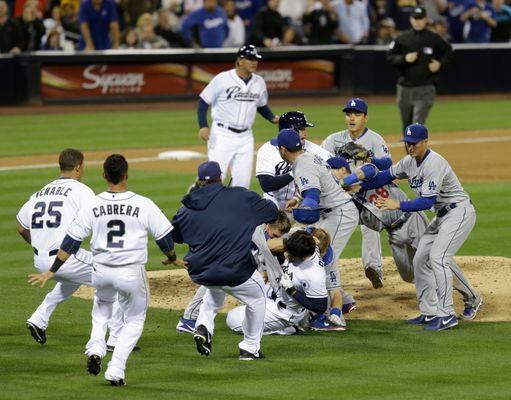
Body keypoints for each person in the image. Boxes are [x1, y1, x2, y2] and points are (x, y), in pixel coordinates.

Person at [29, 154, 179, 385]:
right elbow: (164, 239)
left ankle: (96, 348)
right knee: (135, 319)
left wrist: (53, 269)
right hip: (130, 272)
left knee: (101, 310)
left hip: (101, 271)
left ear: (104, 176)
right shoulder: (143, 203)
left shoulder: (93, 203)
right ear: (126, 175)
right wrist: (172, 258)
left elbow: (71, 241)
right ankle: (116, 369)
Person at [358, 124, 483, 331]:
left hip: (459, 213)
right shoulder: (409, 161)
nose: (410, 147)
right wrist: (358, 186)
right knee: (420, 259)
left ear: (426, 141)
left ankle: (448, 313)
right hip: (442, 215)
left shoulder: (434, 163)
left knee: (438, 258)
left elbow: (426, 202)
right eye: (407, 143)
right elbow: (385, 176)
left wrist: (397, 204)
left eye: (414, 143)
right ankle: (430, 311)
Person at [171, 161, 279, 360]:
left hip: (201, 271)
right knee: (258, 297)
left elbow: (175, 236)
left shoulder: (187, 207)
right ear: (220, 177)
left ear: (199, 181)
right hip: (235, 270)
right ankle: (250, 347)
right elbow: (272, 212)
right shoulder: (241, 196)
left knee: (214, 290)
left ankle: (203, 327)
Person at [17, 149, 116, 346]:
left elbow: (21, 227)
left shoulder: (39, 193)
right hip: (66, 259)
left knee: (70, 281)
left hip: (40, 261)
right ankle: (115, 338)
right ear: (78, 167)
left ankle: (38, 319)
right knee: (114, 278)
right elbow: (98, 221)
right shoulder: (81, 190)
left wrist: (39, 244)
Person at [275, 128, 359, 330]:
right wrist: (298, 200)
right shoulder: (306, 158)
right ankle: (343, 301)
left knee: (321, 258)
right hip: (330, 212)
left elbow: (312, 193)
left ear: (283, 149)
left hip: (339, 214)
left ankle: (326, 315)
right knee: (316, 253)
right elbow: (313, 188)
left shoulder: (302, 166)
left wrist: (307, 206)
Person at [176, 210, 291, 334]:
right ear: (267, 225)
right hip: (217, 253)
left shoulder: (262, 230)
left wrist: (265, 272)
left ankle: (263, 318)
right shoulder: (253, 228)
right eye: (274, 235)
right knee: (214, 283)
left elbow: (261, 255)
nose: (276, 239)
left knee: (239, 285)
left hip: (231, 258)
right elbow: (267, 249)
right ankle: (188, 320)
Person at [321, 98, 392, 289]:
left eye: (357, 114)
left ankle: (373, 268)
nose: (352, 118)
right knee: (328, 229)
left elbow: (387, 164)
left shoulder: (375, 139)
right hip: (339, 195)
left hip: (365, 191)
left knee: (370, 226)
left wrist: (370, 157)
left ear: (365, 118)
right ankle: (321, 267)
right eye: (349, 114)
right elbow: (320, 163)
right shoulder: (333, 139)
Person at [197, 44, 279, 189]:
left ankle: (236, 211)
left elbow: (261, 105)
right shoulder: (222, 79)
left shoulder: (259, 82)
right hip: (222, 134)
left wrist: (272, 118)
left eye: (256, 59)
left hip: (246, 137)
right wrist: (203, 125)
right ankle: (198, 200)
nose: (254, 62)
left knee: (243, 183)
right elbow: (204, 101)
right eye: (250, 58)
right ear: (239, 60)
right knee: (215, 179)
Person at [227, 230, 329, 336]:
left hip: (284, 311)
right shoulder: (306, 243)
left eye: (292, 256)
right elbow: (268, 246)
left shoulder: (314, 275)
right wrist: (285, 245)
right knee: (245, 291)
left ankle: (286, 328)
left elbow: (320, 307)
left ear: (303, 257)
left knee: (232, 320)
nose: (288, 256)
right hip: (274, 290)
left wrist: (292, 290)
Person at [387, 6, 453, 130]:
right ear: (410, 19)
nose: (417, 21)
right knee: (406, 126)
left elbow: (449, 52)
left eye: (420, 18)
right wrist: (404, 59)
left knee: (417, 124)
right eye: (415, 18)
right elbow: (390, 57)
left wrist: (440, 64)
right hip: (404, 88)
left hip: (426, 88)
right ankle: (409, 150)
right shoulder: (402, 38)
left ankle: (418, 149)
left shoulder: (434, 38)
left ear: (426, 19)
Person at [256, 110, 333, 211]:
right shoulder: (267, 150)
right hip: (274, 201)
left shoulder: (313, 149)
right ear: (287, 130)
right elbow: (267, 184)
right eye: (300, 129)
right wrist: (295, 172)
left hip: (301, 201)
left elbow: (336, 166)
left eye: (305, 128)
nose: (305, 133)